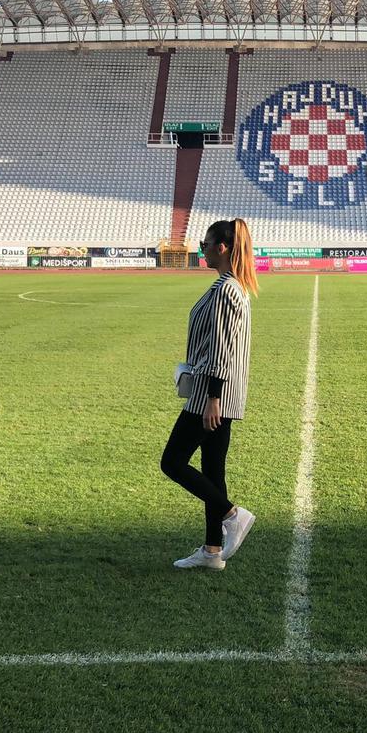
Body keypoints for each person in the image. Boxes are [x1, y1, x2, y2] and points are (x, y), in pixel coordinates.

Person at [161, 218, 258, 570]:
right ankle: (213, 550)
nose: (201, 250)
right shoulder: (231, 287)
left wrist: (213, 398)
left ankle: (232, 514)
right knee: (212, 470)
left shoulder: (226, 290)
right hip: (219, 391)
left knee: (172, 462)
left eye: (205, 244)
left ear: (222, 247)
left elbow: (221, 347)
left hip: (212, 393)